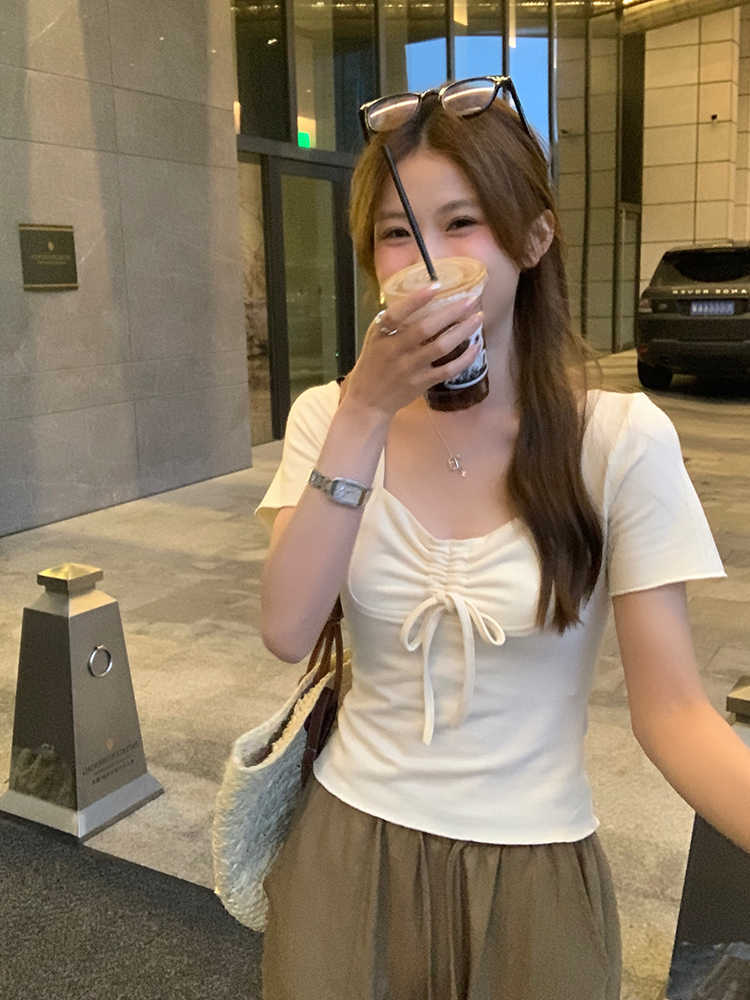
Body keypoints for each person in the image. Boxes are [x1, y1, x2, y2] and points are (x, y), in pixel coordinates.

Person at [254, 77, 750, 1000]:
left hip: (534, 876)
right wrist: (365, 411)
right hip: (346, 853)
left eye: (463, 222)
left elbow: (675, 713)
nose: (427, 259)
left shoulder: (619, 440)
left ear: (533, 238)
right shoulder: (328, 416)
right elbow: (287, 627)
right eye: (398, 232)